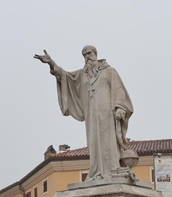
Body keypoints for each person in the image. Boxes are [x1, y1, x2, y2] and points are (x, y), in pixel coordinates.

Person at [34, 46, 134, 181]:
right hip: (91, 116)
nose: (87, 57)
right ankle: (97, 171)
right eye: (84, 55)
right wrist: (51, 63)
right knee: (93, 143)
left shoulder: (109, 72)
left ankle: (112, 169)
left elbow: (119, 90)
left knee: (109, 141)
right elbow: (65, 77)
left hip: (107, 115)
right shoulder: (82, 75)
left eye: (89, 53)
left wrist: (120, 107)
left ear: (95, 54)